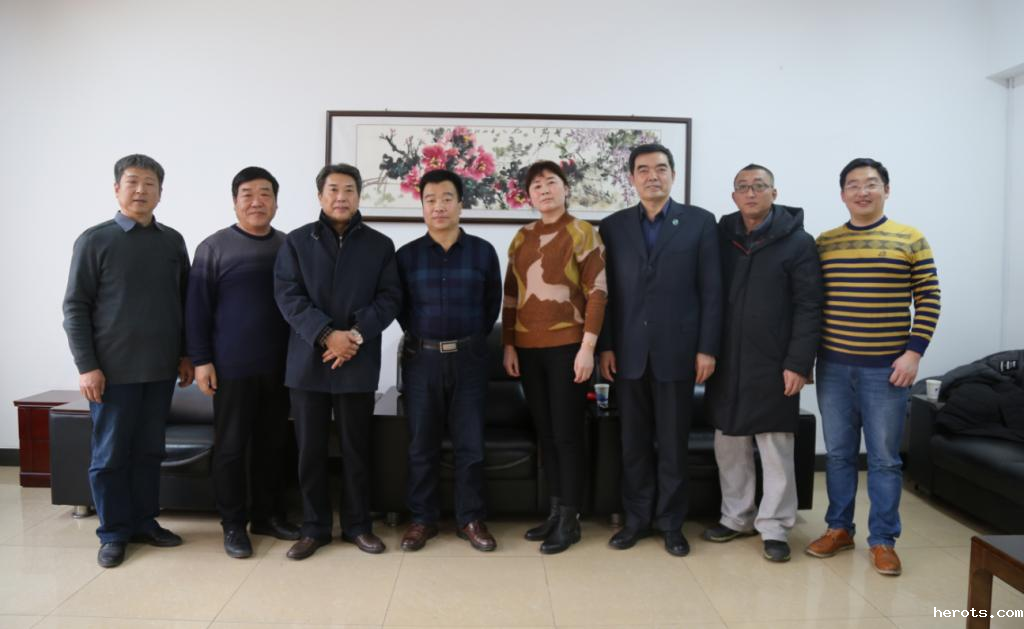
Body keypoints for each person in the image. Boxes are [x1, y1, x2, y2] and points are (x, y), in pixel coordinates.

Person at [806, 157, 940, 576]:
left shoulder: (910, 238)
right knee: (839, 455)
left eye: (871, 183)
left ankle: (883, 540)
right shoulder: (825, 242)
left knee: (884, 459)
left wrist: (914, 353)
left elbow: (929, 298)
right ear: (842, 194)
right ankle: (839, 529)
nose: (862, 191)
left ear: (886, 189)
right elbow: (811, 303)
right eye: (853, 185)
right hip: (833, 367)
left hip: (887, 370)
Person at [62, 154, 194, 568]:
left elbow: (185, 302)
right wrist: (87, 366)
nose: (141, 190)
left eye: (150, 183)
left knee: (149, 451)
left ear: (160, 192)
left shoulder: (172, 241)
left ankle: (144, 522)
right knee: (110, 456)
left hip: (160, 370)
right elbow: (75, 307)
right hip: (111, 373)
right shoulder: (94, 240)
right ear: (117, 189)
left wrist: (186, 353)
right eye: (133, 182)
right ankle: (113, 532)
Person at [598, 143, 722, 557]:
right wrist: (606, 347)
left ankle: (671, 523)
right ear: (631, 178)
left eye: (661, 168)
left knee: (672, 444)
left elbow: (712, 291)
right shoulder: (612, 227)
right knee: (632, 444)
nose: (653, 175)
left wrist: (707, 348)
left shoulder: (700, 223)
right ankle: (635, 520)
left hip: (678, 353)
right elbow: (605, 294)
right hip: (628, 354)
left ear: (673, 174)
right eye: (643, 169)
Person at [274, 163, 402, 560]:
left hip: (357, 361)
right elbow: (288, 296)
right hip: (307, 362)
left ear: (360, 196)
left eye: (349, 190)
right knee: (309, 451)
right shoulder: (296, 242)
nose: (341, 197)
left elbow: (390, 299)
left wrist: (355, 336)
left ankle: (357, 526)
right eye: (333, 190)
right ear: (320, 196)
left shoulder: (380, 245)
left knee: (356, 449)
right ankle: (314, 528)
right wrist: (327, 334)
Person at [703, 164, 823, 562]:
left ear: (774, 192)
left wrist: (799, 362)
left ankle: (774, 527)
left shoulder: (798, 242)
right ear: (733, 196)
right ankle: (736, 517)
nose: (751, 193)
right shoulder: (721, 237)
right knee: (729, 444)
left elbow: (809, 306)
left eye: (759, 186)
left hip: (775, 362)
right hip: (727, 360)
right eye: (743, 187)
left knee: (775, 449)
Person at [186, 166, 300, 559]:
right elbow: (196, 310)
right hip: (231, 368)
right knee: (231, 448)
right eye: (247, 194)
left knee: (273, 445)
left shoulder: (288, 246)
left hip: (281, 367)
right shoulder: (214, 248)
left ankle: (267, 516)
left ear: (276, 202)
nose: (257, 202)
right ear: (235, 202)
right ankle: (233, 524)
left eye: (265, 194)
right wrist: (201, 360)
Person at [502, 160, 607, 554]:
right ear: (528, 196)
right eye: (536, 185)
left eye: (551, 182)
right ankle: (556, 510)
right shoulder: (522, 237)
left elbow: (598, 292)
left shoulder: (583, 232)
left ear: (565, 188)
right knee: (546, 434)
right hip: (528, 349)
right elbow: (510, 295)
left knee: (567, 433)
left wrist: (587, 348)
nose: (544, 190)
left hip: (568, 347)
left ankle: (571, 519)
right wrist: (508, 344)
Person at [395, 169, 502, 552]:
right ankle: (422, 520)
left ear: (460, 204)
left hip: (470, 358)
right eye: (430, 199)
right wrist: (426, 340)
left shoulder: (483, 252)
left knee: (470, 444)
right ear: (422, 206)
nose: (438, 206)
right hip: (421, 360)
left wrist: (466, 340)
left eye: (446, 198)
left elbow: (491, 305)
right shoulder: (406, 256)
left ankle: (470, 518)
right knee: (421, 445)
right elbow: (401, 309)